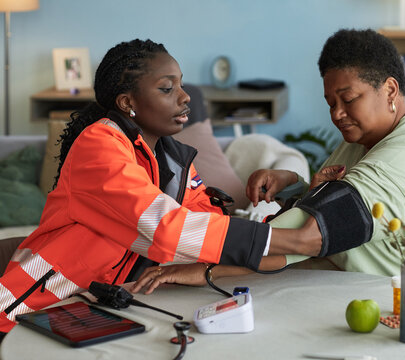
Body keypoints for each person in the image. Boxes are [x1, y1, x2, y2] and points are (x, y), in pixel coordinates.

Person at [0, 39, 334, 333]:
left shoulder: (170, 158)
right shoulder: (98, 146)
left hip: (97, 309)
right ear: (127, 102)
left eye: (181, 85)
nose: (185, 96)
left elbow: (210, 224)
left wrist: (295, 196)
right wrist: (296, 240)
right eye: (167, 88)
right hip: (28, 314)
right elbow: (164, 226)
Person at [132, 29, 405, 294]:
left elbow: (308, 235)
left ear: (391, 90)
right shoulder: (369, 137)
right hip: (378, 280)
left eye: (348, 99)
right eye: (330, 101)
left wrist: (200, 269)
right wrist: (294, 181)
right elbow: (329, 204)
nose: (337, 114)